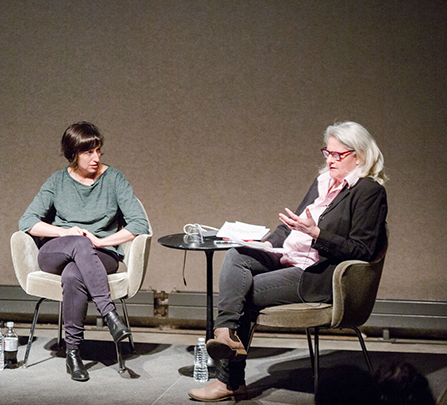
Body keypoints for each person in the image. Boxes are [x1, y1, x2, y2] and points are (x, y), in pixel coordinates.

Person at [188, 121, 388, 402]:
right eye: (326, 153)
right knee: (237, 256)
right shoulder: (324, 182)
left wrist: (317, 234)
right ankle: (224, 334)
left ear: (361, 155)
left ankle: (230, 381)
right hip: (294, 258)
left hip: (320, 274)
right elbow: (295, 224)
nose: (329, 159)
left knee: (242, 291)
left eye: (337, 155)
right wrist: (268, 243)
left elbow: (363, 249)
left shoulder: (368, 191)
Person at [19, 121, 149, 382]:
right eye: (88, 152)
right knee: (78, 243)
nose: (96, 158)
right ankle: (109, 314)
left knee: (73, 276)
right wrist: (66, 233)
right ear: (73, 154)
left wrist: (101, 242)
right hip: (57, 251)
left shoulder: (114, 179)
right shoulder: (57, 181)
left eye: (98, 151)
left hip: (101, 255)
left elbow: (139, 223)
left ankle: (73, 353)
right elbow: (27, 222)